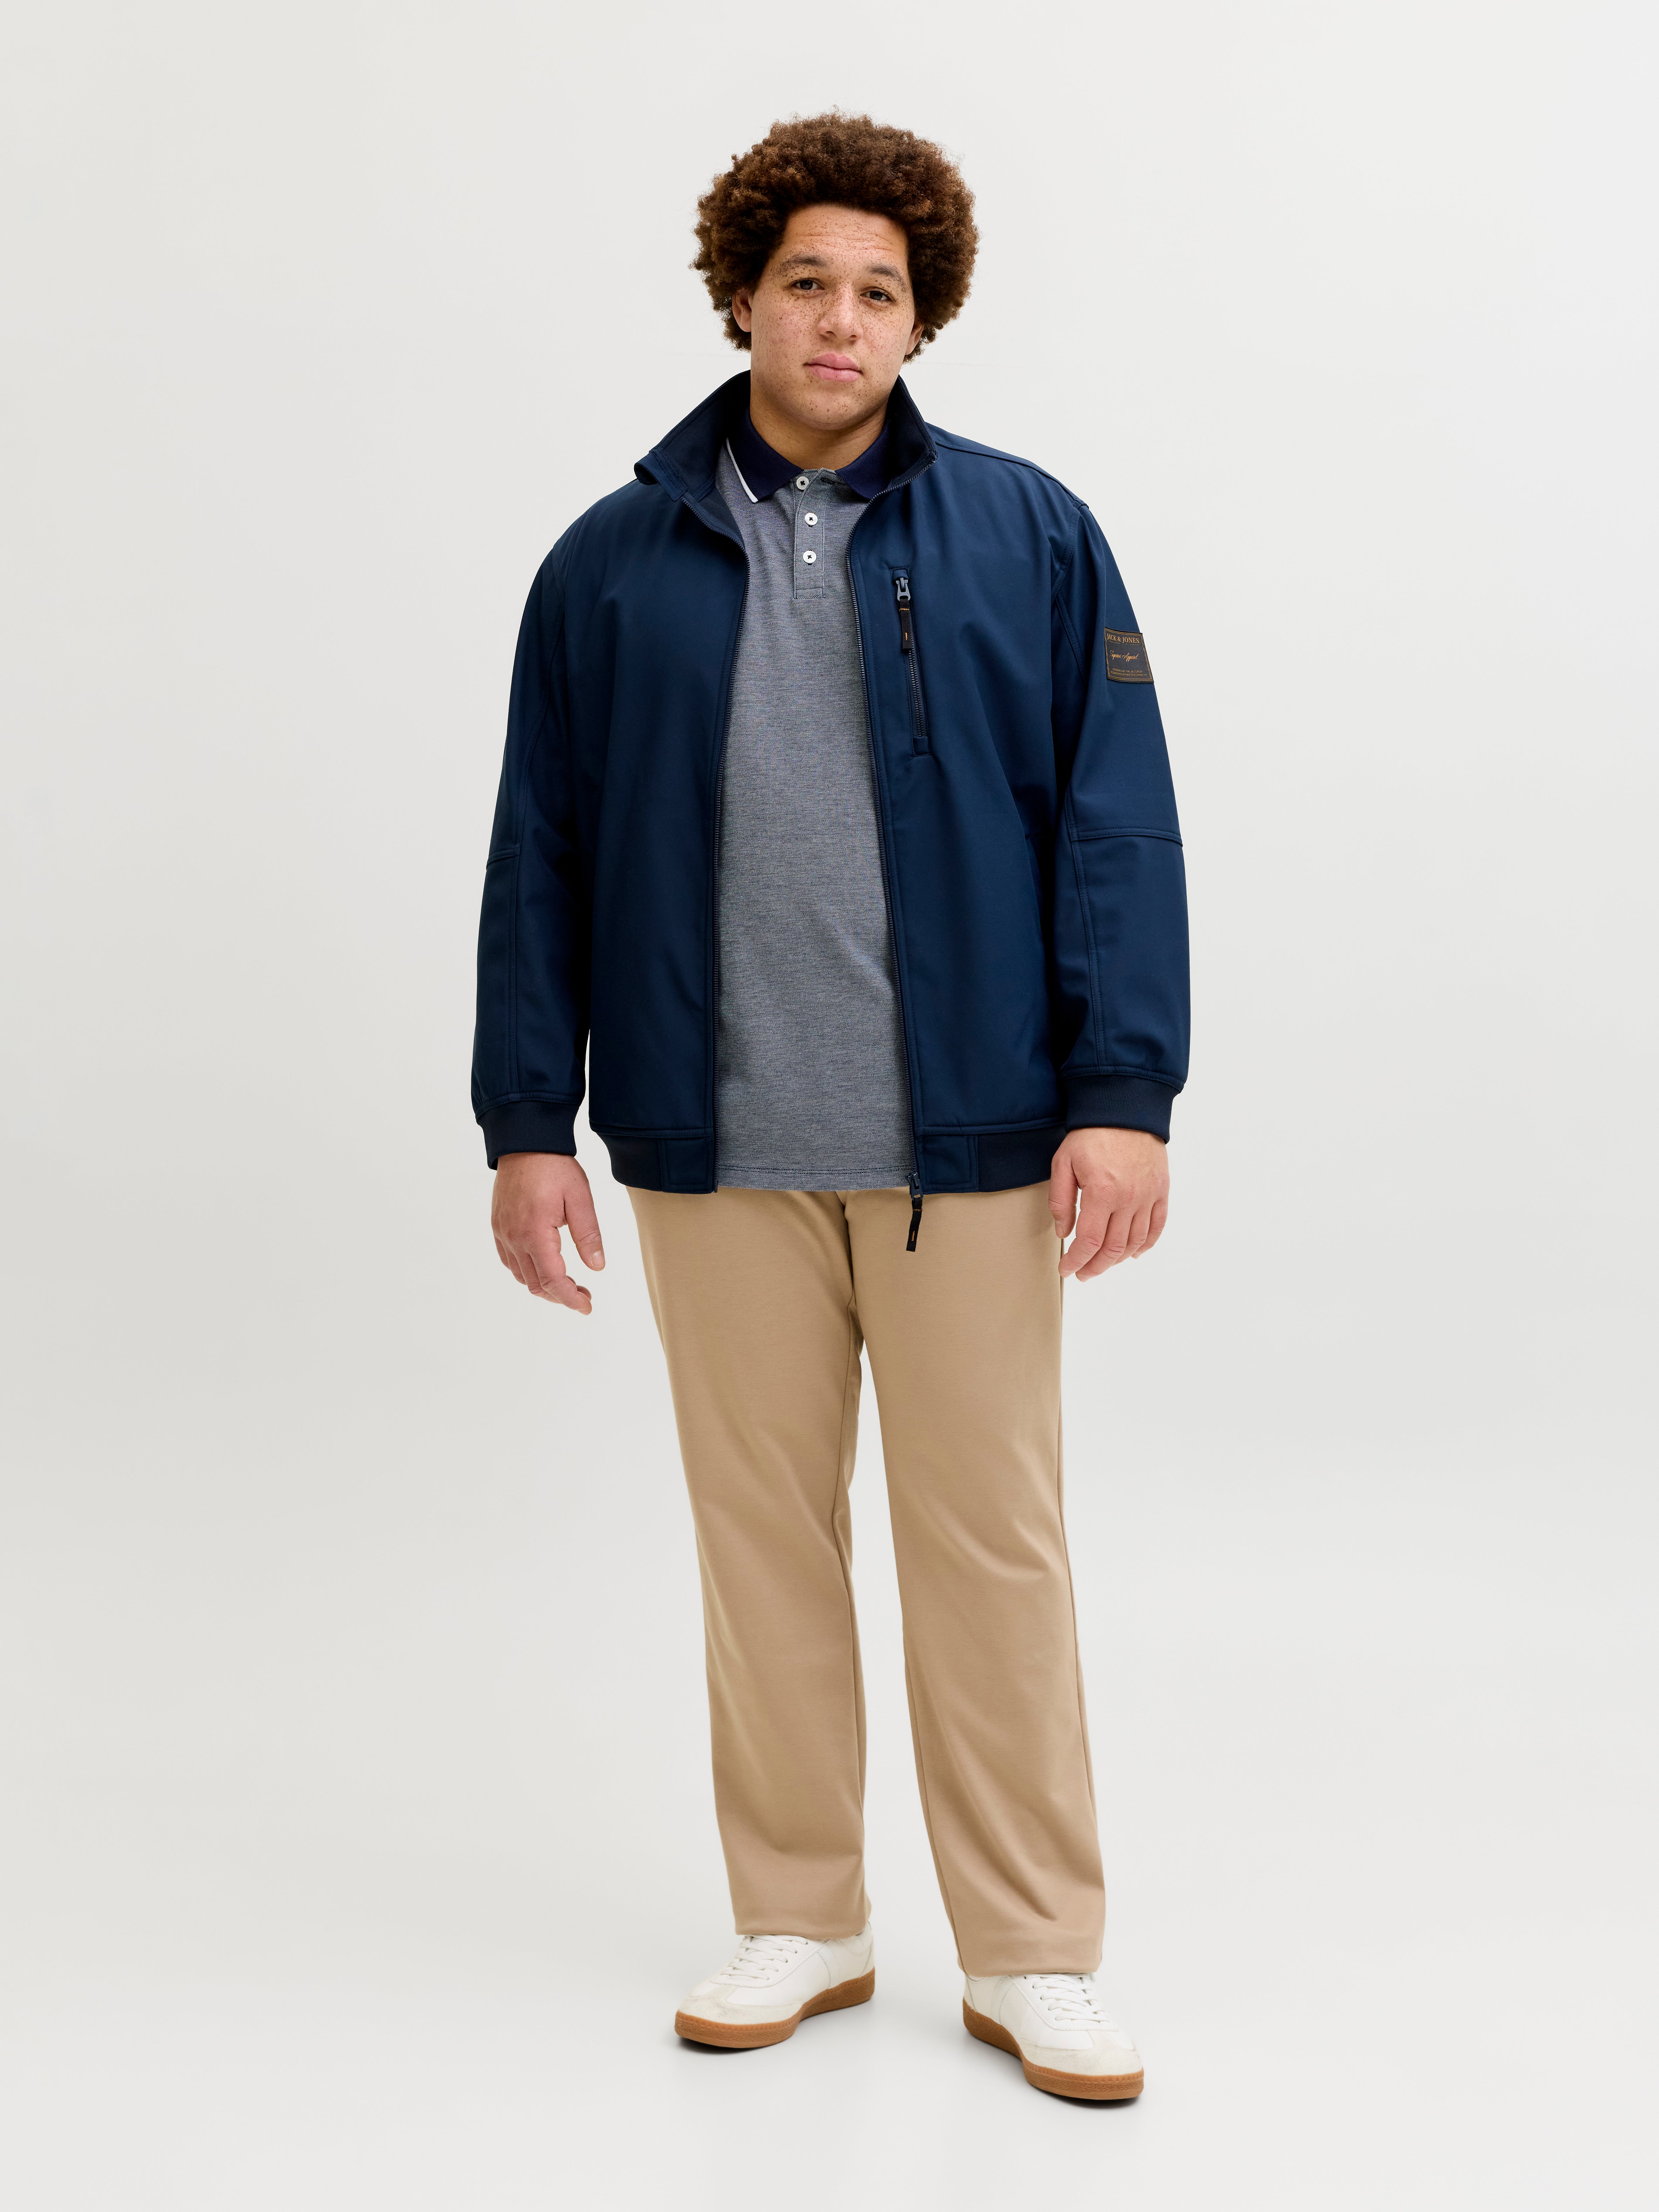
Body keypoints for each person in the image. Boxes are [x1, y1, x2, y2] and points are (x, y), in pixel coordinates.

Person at [472, 113, 1188, 2101]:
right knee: (759, 1543)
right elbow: (539, 850)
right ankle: (802, 1910)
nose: (841, 319)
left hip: (975, 1144)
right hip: (712, 1150)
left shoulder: (1030, 535)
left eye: (880, 289)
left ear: (921, 318)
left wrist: (1121, 1088)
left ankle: (1032, 1949)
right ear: (740, 295)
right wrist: (527, 1120)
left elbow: (1114, 825)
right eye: (806, 280)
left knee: (992, 1547)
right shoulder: (609, 565)